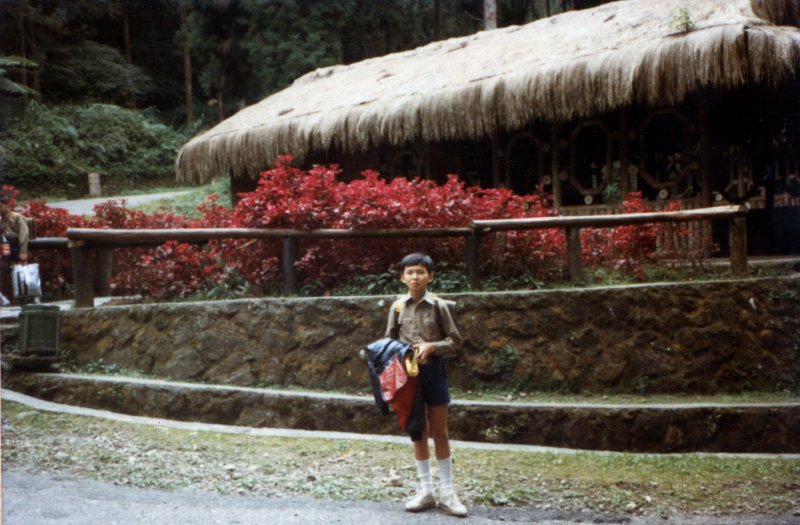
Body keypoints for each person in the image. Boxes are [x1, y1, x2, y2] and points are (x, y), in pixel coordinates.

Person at [385, 252, 467, 517]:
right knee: (418, 430)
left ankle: (448, 493)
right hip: (408, 377)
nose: (415, 277)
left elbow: (455, 341)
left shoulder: (439, 306)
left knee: (440, 431)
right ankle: (426, 491)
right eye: (409, 272)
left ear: (430, 276)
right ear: (402, 277)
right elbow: (388, 342)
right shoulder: (398, 307)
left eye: (420, 272)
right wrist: (402, 353)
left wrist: (432, 347)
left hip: (434, 371)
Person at [0, 195, 29, 304]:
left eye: (0, 206)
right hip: (6, 247)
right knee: (12, 272)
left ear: (7, 205)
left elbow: (24, 234)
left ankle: (28, 295)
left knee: (22, 271)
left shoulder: (16, 217)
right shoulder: (1, 219)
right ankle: (17, 297)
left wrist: (23, 251)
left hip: (17, 246)